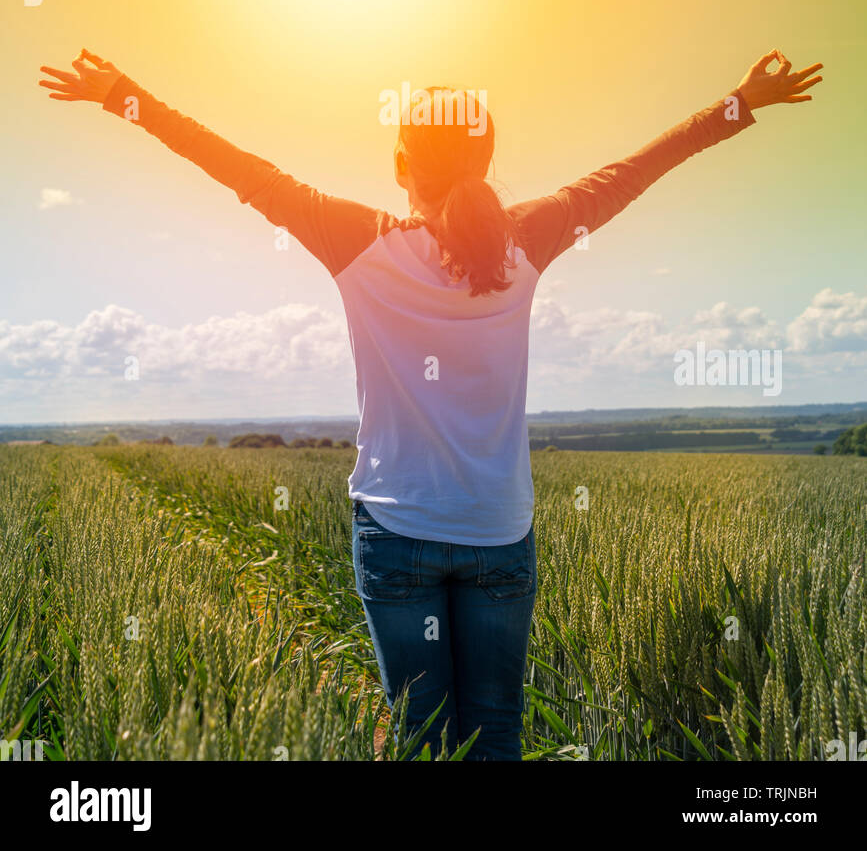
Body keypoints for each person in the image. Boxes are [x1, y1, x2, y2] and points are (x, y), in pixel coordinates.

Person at [38, 47, 823, 759]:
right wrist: (740, 100)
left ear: (399, 162)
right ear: (485, 158)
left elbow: (239, 169)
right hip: (497, 530)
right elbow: (632, 172)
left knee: (419, 733)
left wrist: (122, 95)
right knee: (496, 723)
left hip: (396, 529)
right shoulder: (527, 238)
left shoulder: (354, 240)